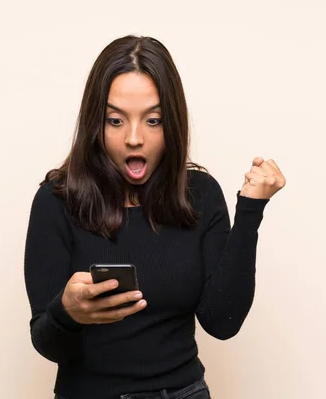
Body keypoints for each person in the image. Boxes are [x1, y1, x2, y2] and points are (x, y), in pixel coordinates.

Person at [23, 35, 286, 399]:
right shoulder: (55, 202)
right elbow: (48, 344)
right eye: (115, 120)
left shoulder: (201, 194)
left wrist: (250, 211)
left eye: (153, 120)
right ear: (95, 124)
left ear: (173, 122)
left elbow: (222, 323)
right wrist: (67, 312)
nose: (134, 138)